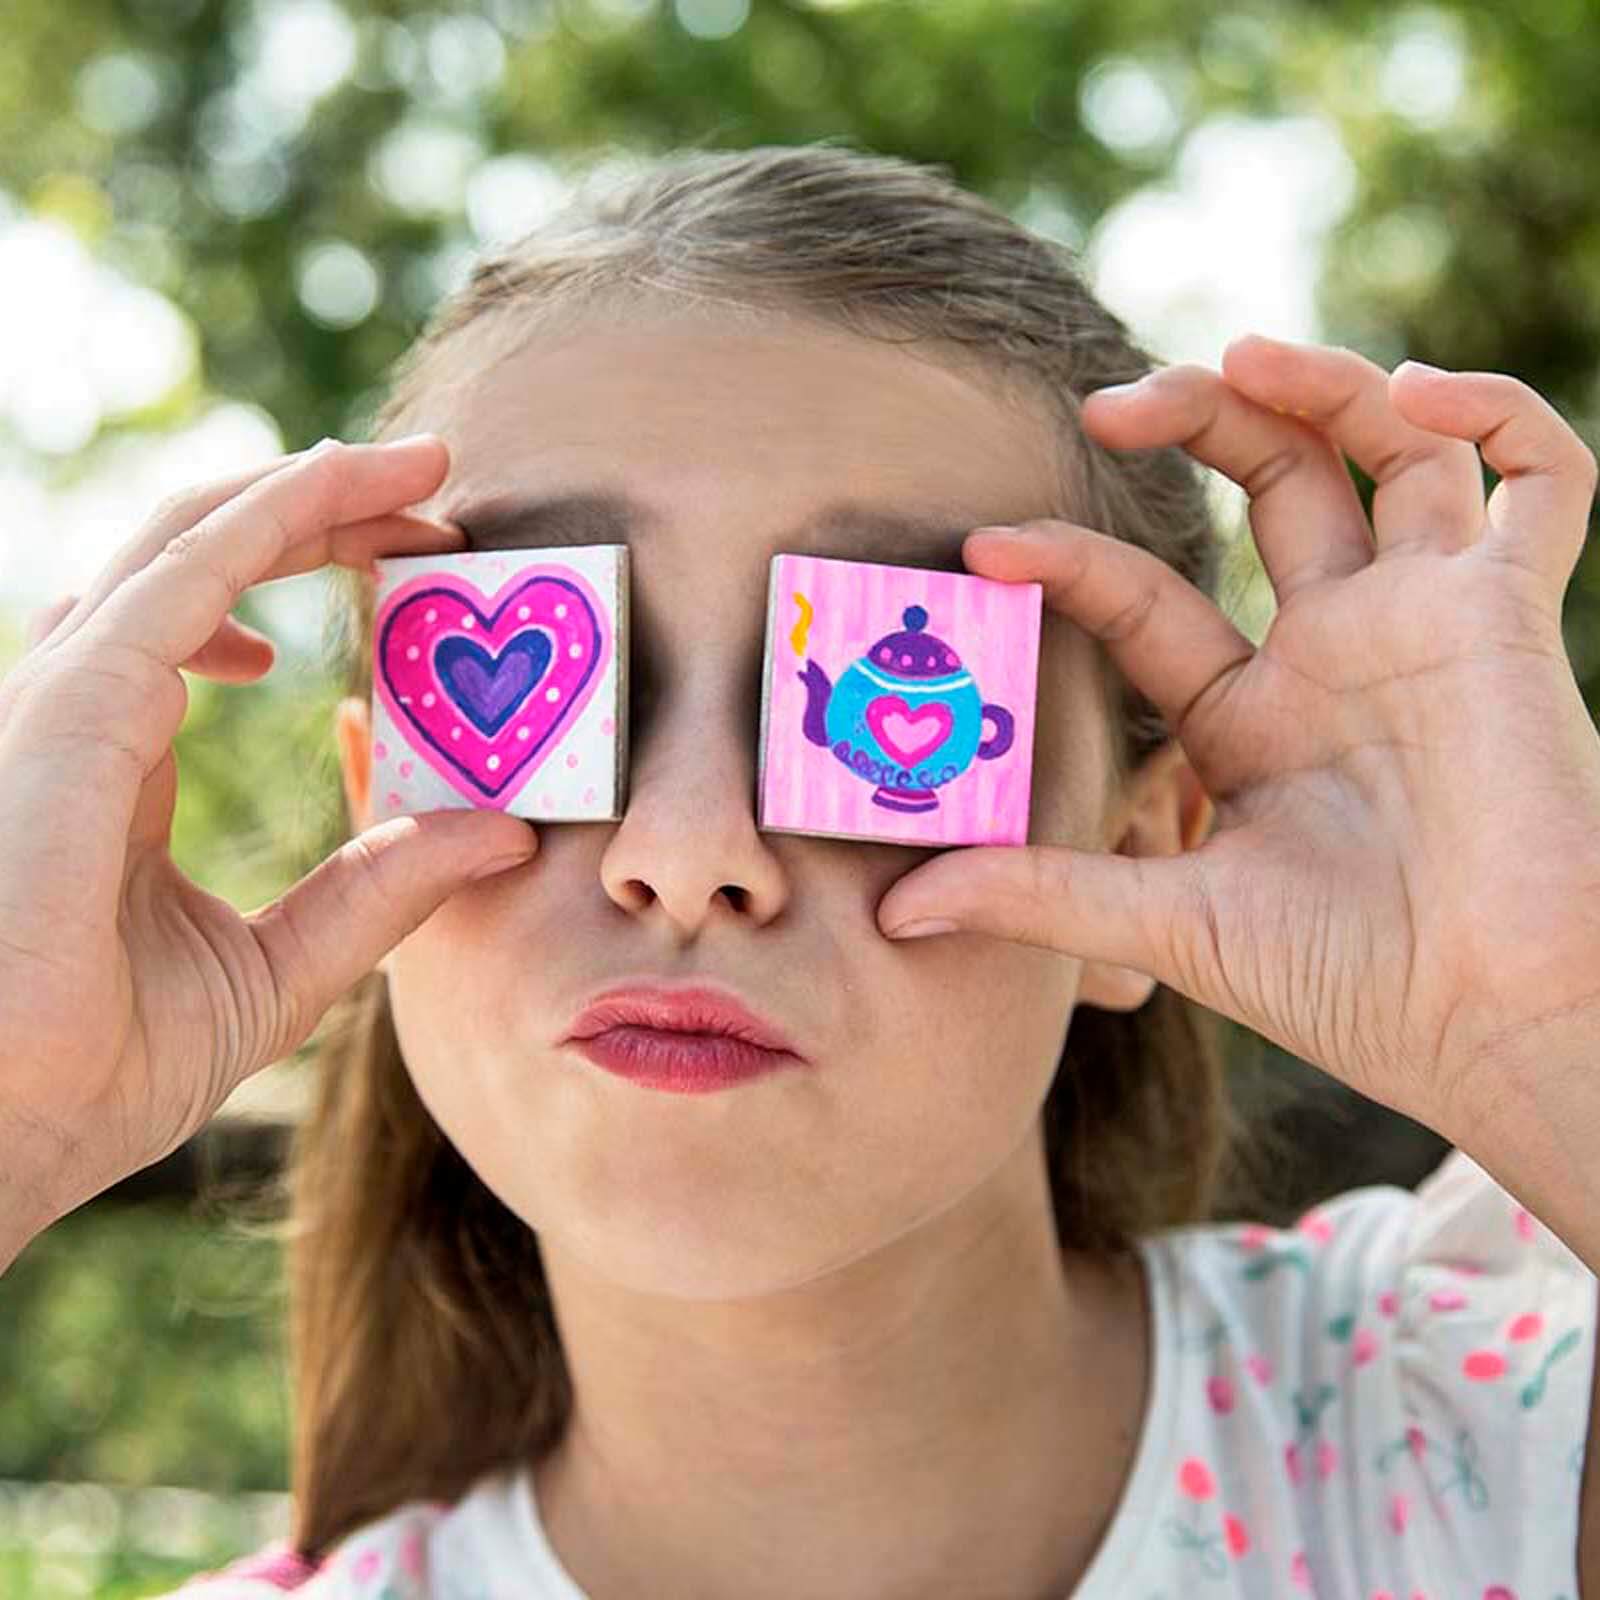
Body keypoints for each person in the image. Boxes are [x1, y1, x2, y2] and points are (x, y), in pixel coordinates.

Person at [2, 141, 1597, 1599]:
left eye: (901, 699)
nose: (689, 858)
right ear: (375, 819)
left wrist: (1552, 1029)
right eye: (561, 680)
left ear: (1143, 842)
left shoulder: (1499, 1426)